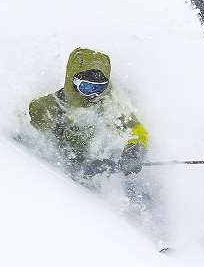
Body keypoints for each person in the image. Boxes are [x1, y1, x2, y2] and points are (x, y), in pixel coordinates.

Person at [28, 47, 148, 184]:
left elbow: (136, 129)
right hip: (62, 178)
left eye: (99, 88)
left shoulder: (109, 101)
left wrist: (133, 152)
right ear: (73, 81)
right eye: (87, 87)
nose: (93, 94)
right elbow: (28, 136)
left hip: (102, 173)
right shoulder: (49, 106)